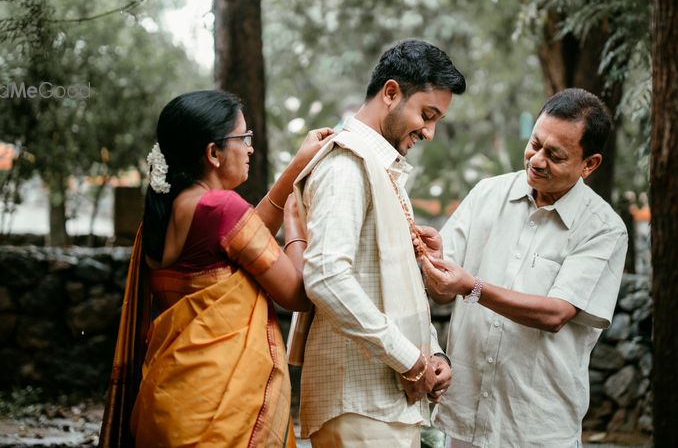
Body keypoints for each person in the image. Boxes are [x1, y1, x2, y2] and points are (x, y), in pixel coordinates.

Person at [99, 89, 333, 448]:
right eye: (243, 138)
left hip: (166, 403)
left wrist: (296, 167)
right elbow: (297, 294)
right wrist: (297, 230)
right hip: (220, 414)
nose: (250, 148)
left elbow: (243, 238)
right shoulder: (221, 209)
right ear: (213, 153)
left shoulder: (160, 218)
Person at [415, 88, 628, 448]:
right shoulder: (487, 193)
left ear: (589, 164)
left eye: (555, 155)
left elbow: (556, 314)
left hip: (537, 427)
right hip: (466, 420)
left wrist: (472, 287)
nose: (537, 160)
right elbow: (440, 288)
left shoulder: (604, 229)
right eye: (535, 144)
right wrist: (433, 261)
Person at [294, 39, 467, 447]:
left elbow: (395, 287)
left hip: (387, 408)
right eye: (427, 115)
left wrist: (434, 355)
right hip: (356, 404)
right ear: (390, 93)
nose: (430, 131)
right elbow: (326, 277)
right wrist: (410, 360)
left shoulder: (383, 169)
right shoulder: (345, 166)